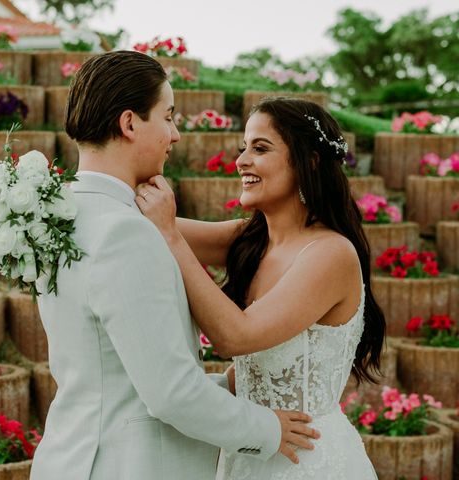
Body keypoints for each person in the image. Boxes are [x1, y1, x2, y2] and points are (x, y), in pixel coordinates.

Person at [29, 53, 319, 480]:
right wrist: (268, 429)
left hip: (74, 456)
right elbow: (169, 395)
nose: (176, 134)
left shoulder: (58, 216)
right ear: (129, 124)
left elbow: (115, 372)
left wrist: (231, 389)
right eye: (167, 117)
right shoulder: (125, 233)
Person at [136, 97, 384, 479]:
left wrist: (170, 237)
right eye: (243, 148)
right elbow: (141, 222)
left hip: (308, 461)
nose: (241, 161)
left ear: (310, 162)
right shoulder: (251, 239)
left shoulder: (331, 254)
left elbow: (236, 336)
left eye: (261, 148)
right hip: (251, 450)